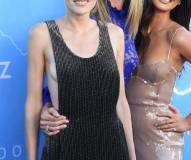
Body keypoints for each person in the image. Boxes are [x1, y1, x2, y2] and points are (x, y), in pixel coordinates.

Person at [25, 0, 136, 159]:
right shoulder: (41, 34)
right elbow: (33, 103)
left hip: (112, 148)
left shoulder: (115, 34)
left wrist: (132, 156)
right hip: (64, 149)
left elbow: (121, 101)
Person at [126, 0, 191, 159]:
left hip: (159, 142)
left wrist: (188, 122)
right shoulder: (131, 28)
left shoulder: (178, 36)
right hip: (124, 136)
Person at [39, 0, 143, 136]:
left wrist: (181, 121)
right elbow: (68, 72)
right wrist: (48, 106)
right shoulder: (86, 8)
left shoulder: (140, 10)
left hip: (135, 120)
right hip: (92, 127)